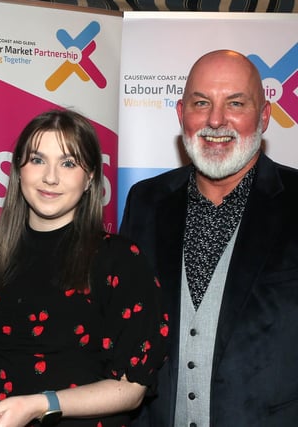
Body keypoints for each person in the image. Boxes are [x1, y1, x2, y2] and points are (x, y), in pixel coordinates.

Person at [0, 109, 169, 427]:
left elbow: (131, 389)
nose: (50, 177)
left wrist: (38, 405)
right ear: (18, 170)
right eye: (37, 160)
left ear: (89, 178)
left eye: (68, 163)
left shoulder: (121, 261)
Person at [120, 49, 298, 426]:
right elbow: (121, 325)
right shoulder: (145, 201)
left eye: (235, 103)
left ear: (264, 116)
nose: (216, 120)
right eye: (202, 103)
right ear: (181, 113)